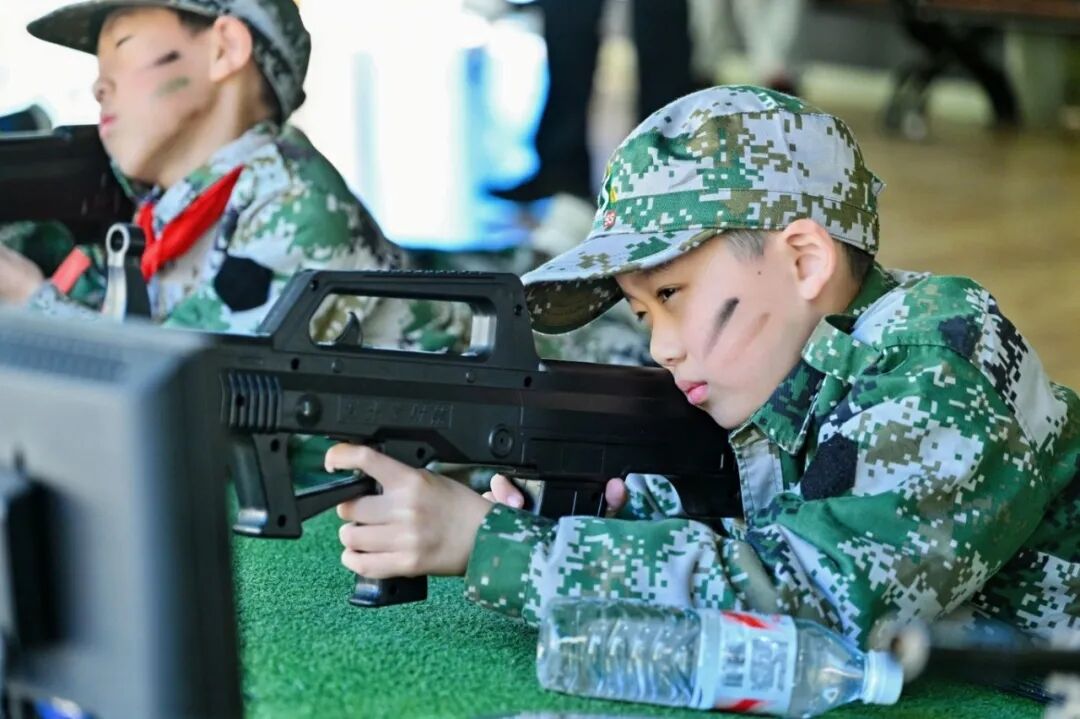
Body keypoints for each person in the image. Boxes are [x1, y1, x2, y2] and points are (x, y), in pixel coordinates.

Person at [325, 85, 1080, 648]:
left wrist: (495, 544)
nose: (661, 346)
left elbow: (820, 605)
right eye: (641, 312)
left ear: (805, 260)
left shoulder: (937, 360)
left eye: (672, 295)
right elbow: (755, 518)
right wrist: (596, 518)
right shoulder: (777, 380)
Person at [0, 0, 423, 344]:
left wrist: (30, 300)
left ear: (225, 49)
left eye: (123, 45)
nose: (99, 86)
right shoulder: (160, 215)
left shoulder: (301, 208)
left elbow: (192, 395)